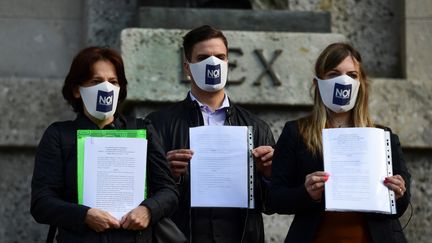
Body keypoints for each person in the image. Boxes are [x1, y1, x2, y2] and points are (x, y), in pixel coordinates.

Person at [30, 47, 179, 242]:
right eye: (96, 81)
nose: (106, 88)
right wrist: (84, 216)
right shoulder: (59, 135)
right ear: (77, 90)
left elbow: (169, 190)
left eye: (113, 81)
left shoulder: (142, 130)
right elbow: (41, 203)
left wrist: (148, 210)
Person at [269, 43, 411, 243]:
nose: (344, 81)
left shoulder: (382, 137)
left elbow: (403, 204)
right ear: (317, 83)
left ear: (361, 82)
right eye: (333, 74)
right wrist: (307, 193)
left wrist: (398, 192)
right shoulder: (296, 133)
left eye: (352, 75)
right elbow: (276, 198)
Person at [146, 25, 275, 243]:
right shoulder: (157, 124)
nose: (212, 62)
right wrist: (166, 175)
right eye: (203, 57)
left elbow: (273, 204)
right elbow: (140, 195)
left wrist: (269, 175)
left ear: (227, 64)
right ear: (187, 67)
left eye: (220, 56)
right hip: (180, 235)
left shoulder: (256, 127)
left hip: (240, 236)